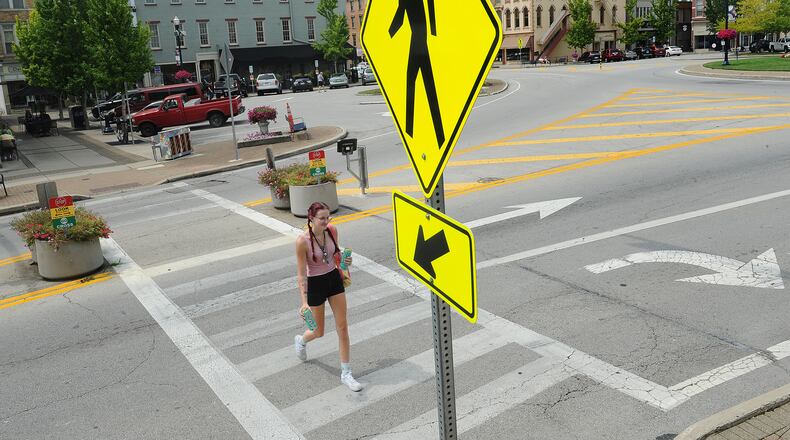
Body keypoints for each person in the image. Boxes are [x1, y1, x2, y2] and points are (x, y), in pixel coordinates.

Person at [294, 202, 362, 392]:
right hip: (315, 283)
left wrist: (346, 262)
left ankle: (346, 373)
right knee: (318, 331)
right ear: (311, 219)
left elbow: (336, 256)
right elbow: (301, 274)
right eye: (322, 218)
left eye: (328, 217)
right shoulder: (302, 241)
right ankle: (301, 340)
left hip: (333, 279)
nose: (326, 221)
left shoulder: (332, 230)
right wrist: (304, 302)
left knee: (342, 325)